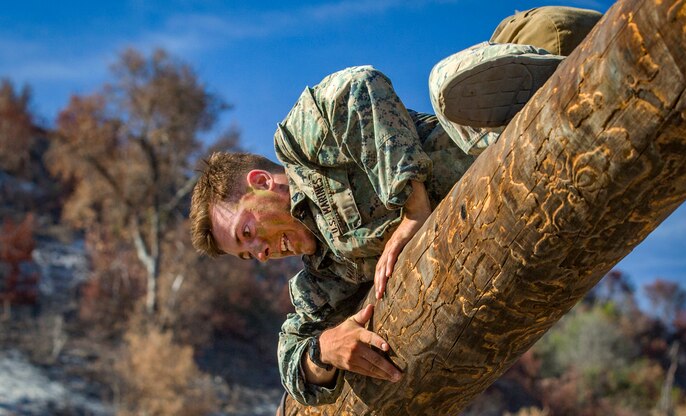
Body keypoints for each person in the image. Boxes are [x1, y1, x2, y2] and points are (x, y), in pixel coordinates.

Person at [189, 6, 602, 408]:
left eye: (247, 233)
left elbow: (359, 87)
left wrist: (413, 208)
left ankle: (562, 75)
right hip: (534, 195)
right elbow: (291, 356)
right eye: (247, 255)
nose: (260, 254)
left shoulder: (301, 147)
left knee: (450, 82)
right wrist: (323, 350)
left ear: (260, 183)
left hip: (493, 119)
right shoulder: (321, 279)